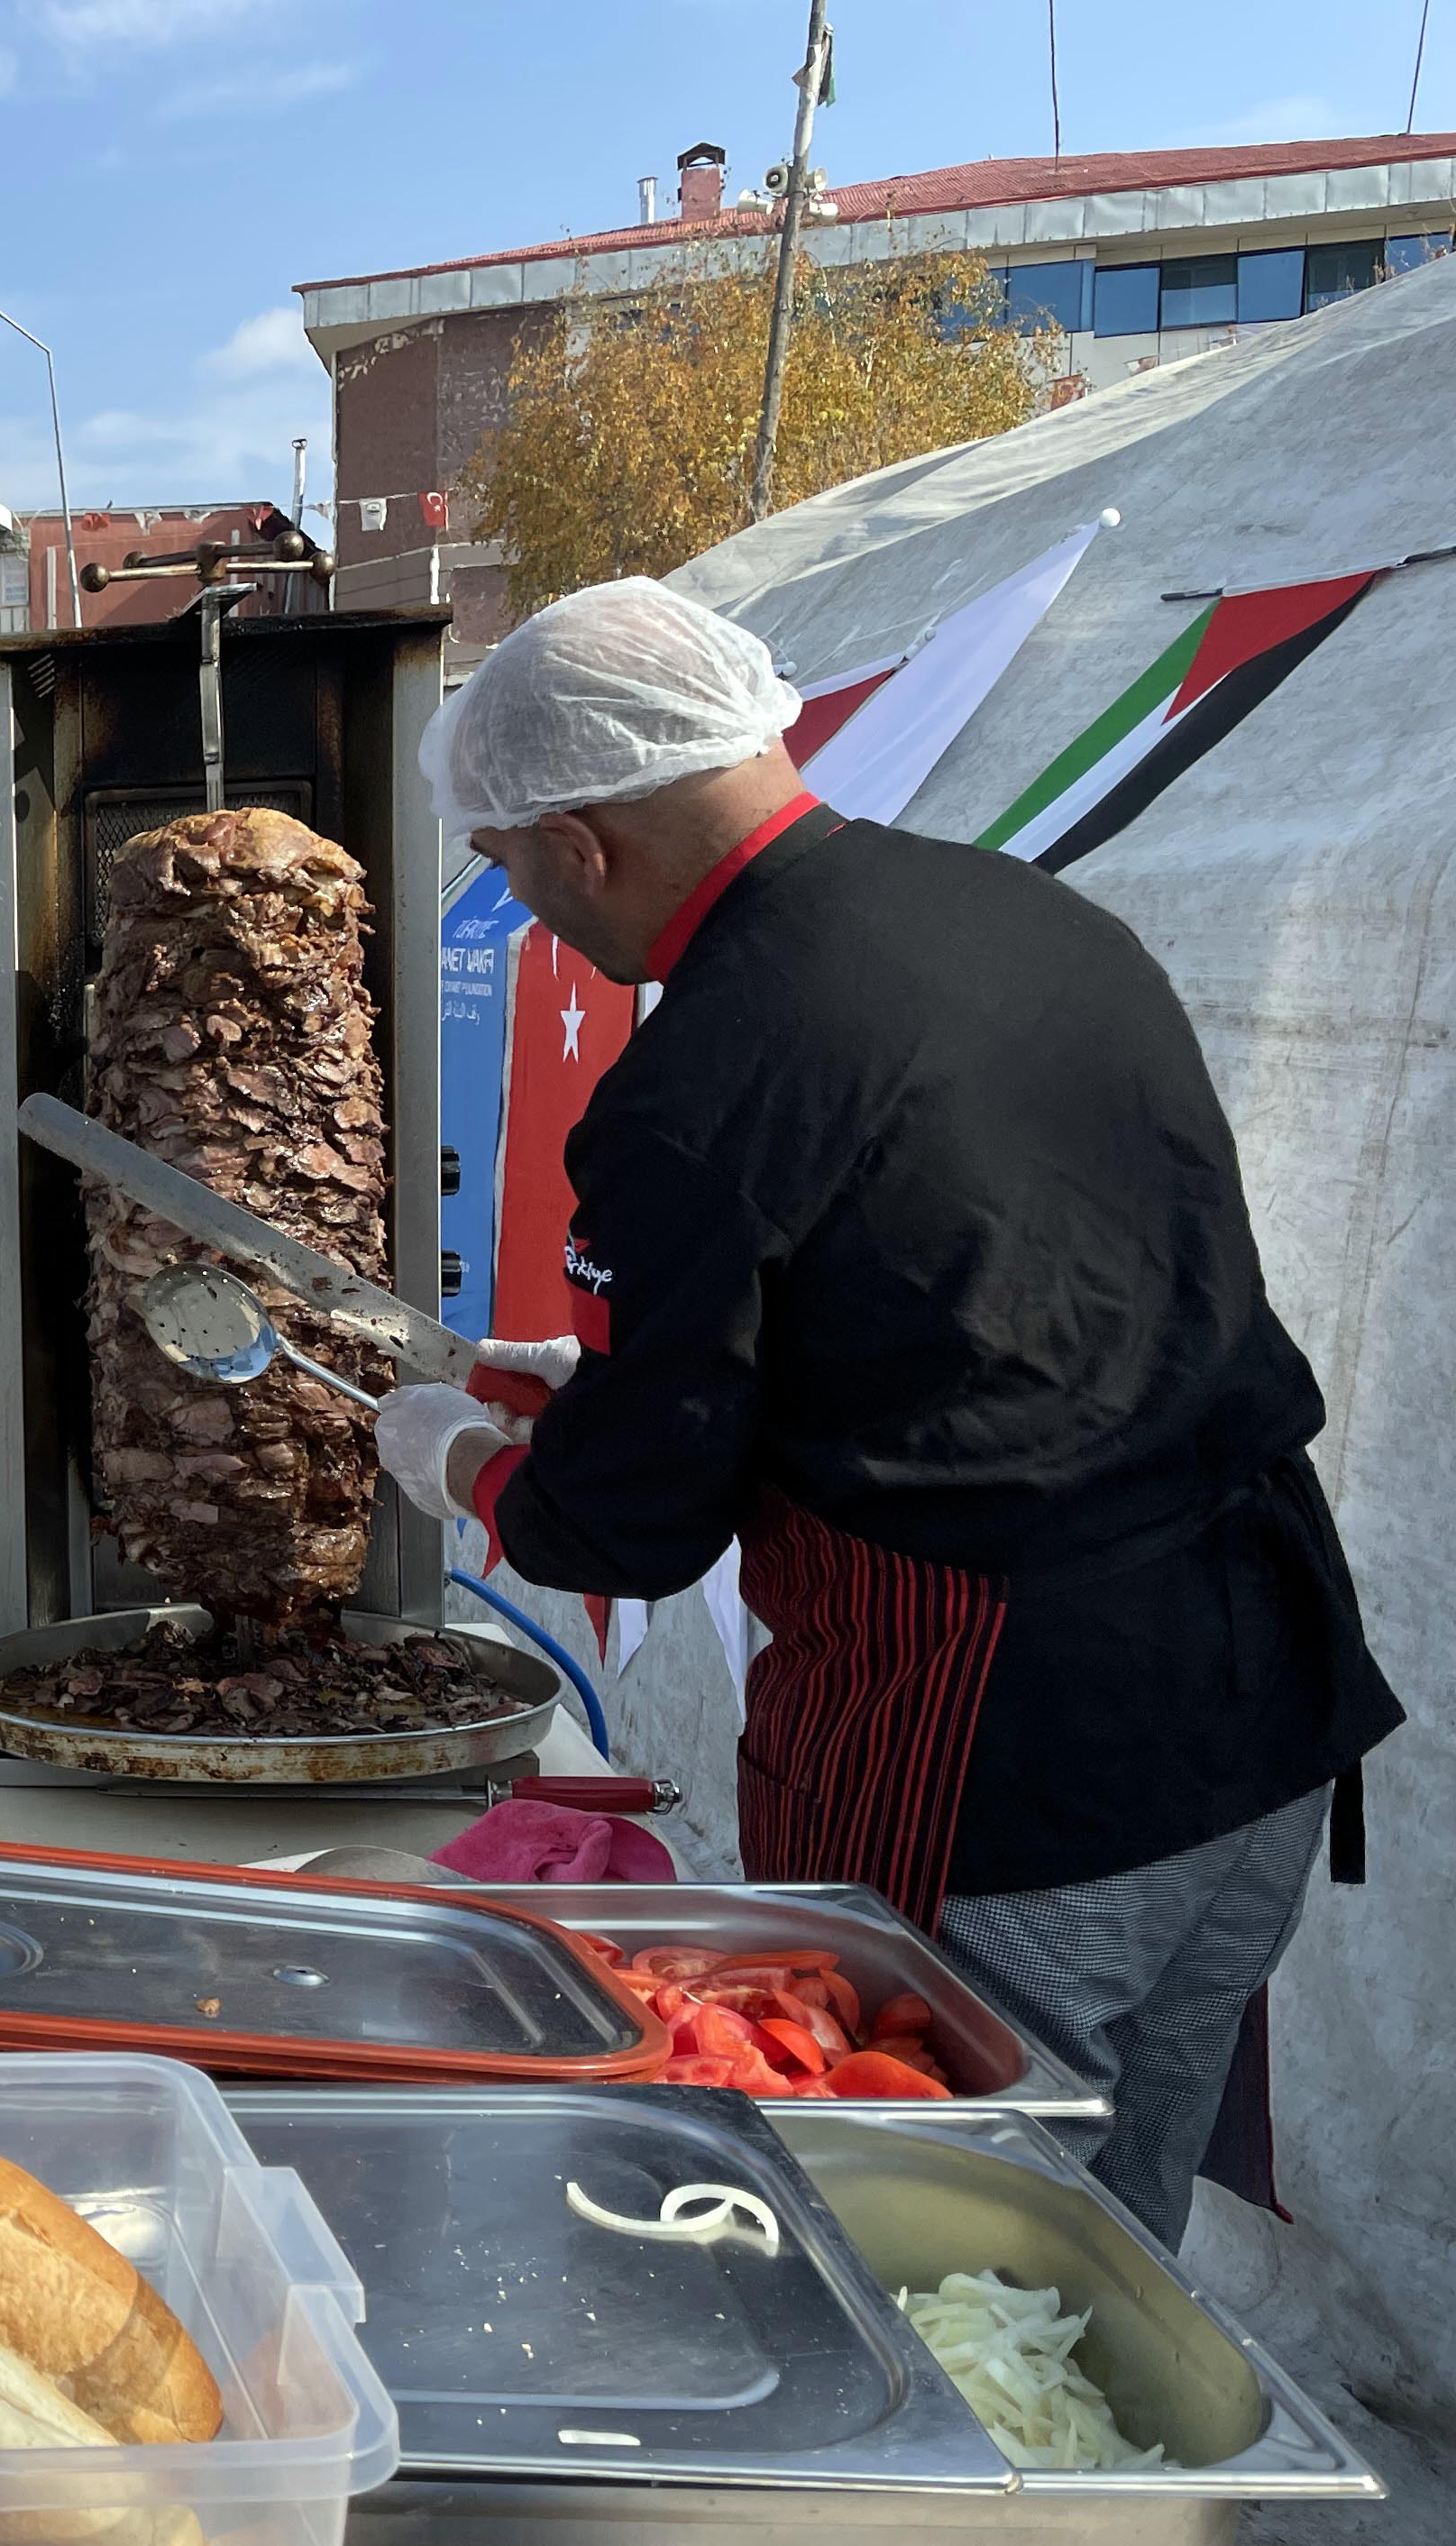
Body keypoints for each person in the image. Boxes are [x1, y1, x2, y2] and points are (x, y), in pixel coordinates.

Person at [380, 576, 1397, 2242]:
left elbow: (632, 1528)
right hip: (1263, 1695)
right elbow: (1000, 1295)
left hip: (1011, 1762)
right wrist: (635, 1385)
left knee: (926, 2230)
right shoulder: (1032, 918)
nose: (533, 913)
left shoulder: (699, 1072)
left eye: (504, 866)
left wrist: (470, 1462)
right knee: (1109, 2239)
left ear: (577, 839)